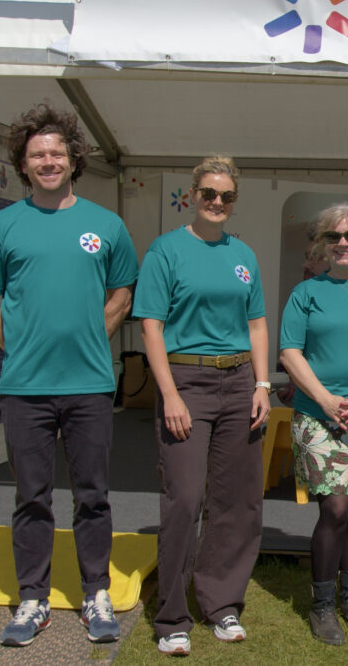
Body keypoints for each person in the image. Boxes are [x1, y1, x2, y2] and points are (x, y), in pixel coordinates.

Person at [0, 104, 137, 648]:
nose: (48, 161)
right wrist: (18, 345)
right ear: (23, 161)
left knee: (93, 495)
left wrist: (92, 336)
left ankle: (95, 594)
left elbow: (122, 293)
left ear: (73, 159)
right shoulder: (2, 226)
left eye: (57, 153)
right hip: (25, 389)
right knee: (31, 497)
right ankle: (33, 599)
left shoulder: (106, 225)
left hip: (88, 384)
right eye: (37, 153)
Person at [133, 156, 271, 656]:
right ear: (192, 195)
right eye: (209, 193)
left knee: (237, 500)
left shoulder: (245, 255)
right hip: (186, 379)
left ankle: (221, 603)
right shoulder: (166, 250)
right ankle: (171, 615)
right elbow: (150, 324)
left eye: (226, 196)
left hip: (239, 383)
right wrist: (168, 394)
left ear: (235, 202)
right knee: (185, 499)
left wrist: (262, 385)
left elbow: (256, 324)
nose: (217, 202)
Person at [279, 203, 348, 645]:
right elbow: (290, 352)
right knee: (337, 507)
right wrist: (327, 401)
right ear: (321, 244)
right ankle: (323, 604)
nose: (342, 244)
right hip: (319, 415)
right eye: (333, 237)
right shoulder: (306, 293)